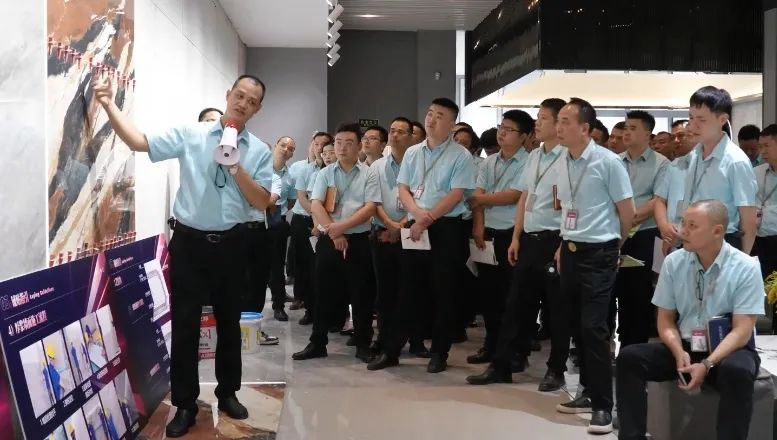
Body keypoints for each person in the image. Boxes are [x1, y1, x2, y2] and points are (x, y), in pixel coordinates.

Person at [91, 73, 273, 437]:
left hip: (233, 244)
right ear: (228, 95)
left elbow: (262, 200)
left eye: (252, 101)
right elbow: (141, 142)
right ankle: (185, 403)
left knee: (229, 323)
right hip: (190, 243)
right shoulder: (193, 134)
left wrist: (236, 167)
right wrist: (109, 104)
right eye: (239, 96)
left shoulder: (259, 150)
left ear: (257, 109)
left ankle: (228, 393)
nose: (243, 104)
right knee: (186, 326)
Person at [616, 200, 764, 440]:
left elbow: (742, 331)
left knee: (737, 371)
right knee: (629, 358)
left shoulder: (746, 267)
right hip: (686, 346)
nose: (682, 231)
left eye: (692, 226)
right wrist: (678, 352)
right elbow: (665, 319)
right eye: (683, 223)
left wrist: (707, 364)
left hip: (728, 349)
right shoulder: (674, 262)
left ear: (717, 231)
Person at [466, 98, 570, 392]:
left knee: (557, 309)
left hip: (556, 238)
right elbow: (524, 196)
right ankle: (501, 365)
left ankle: (556, 369)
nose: (538, 122)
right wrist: (516, 237)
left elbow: (572, 203)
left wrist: (564, 243)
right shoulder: (535, 156)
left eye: (544, 118)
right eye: (538, 117)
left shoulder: (568, 157)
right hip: (528, 238)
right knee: (516, 305)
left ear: (560, 124)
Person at [368, 97, 476, 373]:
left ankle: (439, 352)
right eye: (430, 113)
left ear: (451, 124)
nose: (431, 119)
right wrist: (417, 214)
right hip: (415, 225)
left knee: (444, 292)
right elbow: (403, 188)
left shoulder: (461, 156)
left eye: (440, 116)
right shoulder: (414, 152)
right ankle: (392, 350)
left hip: (446, 228)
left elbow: (456, 194)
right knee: (406, 289)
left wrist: (426, 218)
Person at [553, 98, 634, 434]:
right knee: (574, 324)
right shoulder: (562, 159)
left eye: (566, 121)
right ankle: (587, 391)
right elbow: (566, 207)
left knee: (594, 327)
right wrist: (563, 245)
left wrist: (614, 246)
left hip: (600, 252)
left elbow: (627, 212)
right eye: (558, 120)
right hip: (570, 250)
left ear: (585, 128)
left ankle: (604, 405)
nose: (559, 127)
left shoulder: (608, 162)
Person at [292, 123, 379, 362]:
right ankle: (317, 343)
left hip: (359, 241)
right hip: (329, 240)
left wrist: (342, 227)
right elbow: (316, 204)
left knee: (361, 294)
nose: (341, 147)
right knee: (322, 292)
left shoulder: (369, 173)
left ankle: (363, 344)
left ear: (359, 146)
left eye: (348, 143)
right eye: (338, 142)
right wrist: (335, 233)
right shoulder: (325, 173)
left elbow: (370, 207)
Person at [464, 110, 533, 365]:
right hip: (488, 234)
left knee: (514, 297)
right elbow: (477, 196)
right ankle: (491, 345)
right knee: (489, 295)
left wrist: (481, 199)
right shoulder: (488, 162)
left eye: (509, 129)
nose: (502, 133)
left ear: (524, 136)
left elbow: (514, 195)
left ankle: (517, 351)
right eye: (501, 127)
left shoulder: (529, 162)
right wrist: (478, 227)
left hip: (513, 234)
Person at [366, 117, 430, 362]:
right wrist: (390, 225)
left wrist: (401, 226)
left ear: (412, 137)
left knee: (413, 289)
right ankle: (384, 339)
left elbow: (422, 199)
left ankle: (416, 340)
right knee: (385, 292)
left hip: (412, 232)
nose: (394, 135)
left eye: (401, 132)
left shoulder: (420, 165)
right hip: (381, 233)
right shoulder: (377, 166)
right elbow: (373, 201)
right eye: (392, 130)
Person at [613, 110, 670, 347]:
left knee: (639, 294)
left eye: (633, 128)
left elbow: (658, 199)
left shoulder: (662, 163)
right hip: (614, 233)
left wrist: (630, 218)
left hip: (644, 235)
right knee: (614, 291)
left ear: (648, 134)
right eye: (625, 128)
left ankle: (634, 350)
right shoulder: (614, 162)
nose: (626, 133)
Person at [678, 86, 758, 253]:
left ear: (722, 120)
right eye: (691, 117)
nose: (692, 125)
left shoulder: (736, 161)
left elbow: (749, 221)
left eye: (701, 119)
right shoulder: (695, 155)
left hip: (722, 242)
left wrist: (742, 261)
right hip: (690, 238)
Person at [290, 132, 333, 324]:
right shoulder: (306, 170)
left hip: (328, 225)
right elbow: (302, 198)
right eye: (317, 144)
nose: (321, 149)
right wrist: (318, 219)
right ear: (312, 145)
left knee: (323, 270)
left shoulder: (334, 171)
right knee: (305, 267)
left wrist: (323, 222)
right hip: (305, 222)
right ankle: (309, 309)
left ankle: (329, 312)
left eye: (325, 145)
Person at [264, 137, 296, 322]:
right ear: (275, 146)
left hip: (278, 222)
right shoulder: (260, 167)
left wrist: (278, 211)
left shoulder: (290, 176)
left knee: (277, 266)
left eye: (290, 148)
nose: (285, 150)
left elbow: (291, 201)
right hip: (257, 221)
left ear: (292, 154)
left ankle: (278, 305)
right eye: (283, 145)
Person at [753, 123, 777, 278]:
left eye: (767, 146)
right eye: (760, 146)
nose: (762, 151)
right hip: (760, 240)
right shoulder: (756, 173)